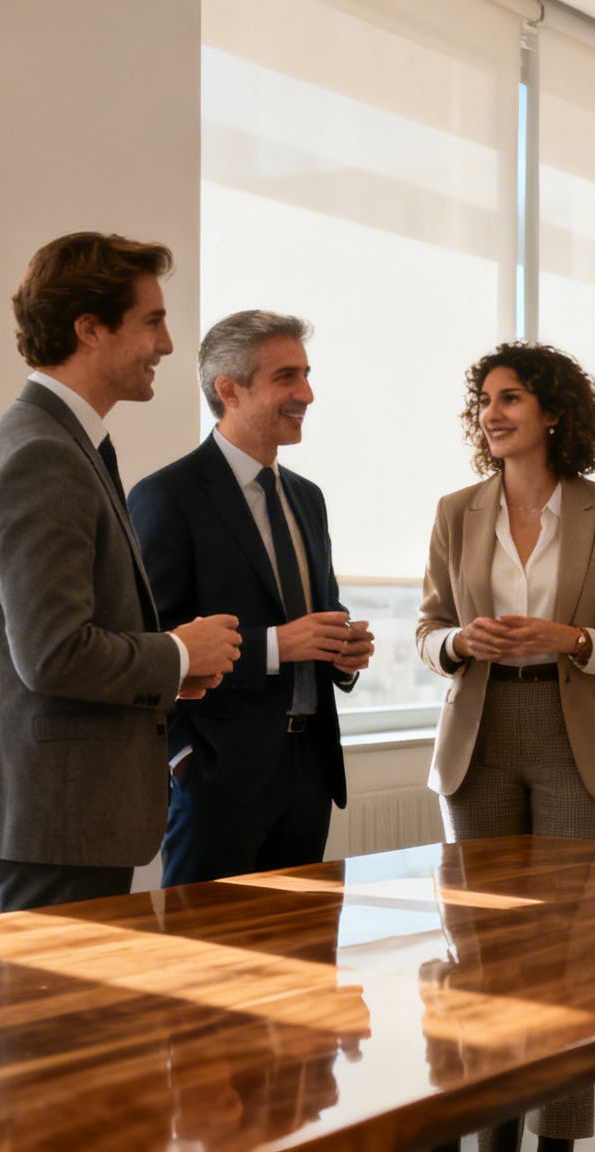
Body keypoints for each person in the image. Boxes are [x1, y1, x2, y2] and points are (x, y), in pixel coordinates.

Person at [0, 231, 242, 914]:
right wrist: (175, 652)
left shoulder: (33, 441)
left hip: (51, 812)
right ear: (90, 329)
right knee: (44, 1021)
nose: (167, 345)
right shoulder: (42, 457)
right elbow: (51, 654)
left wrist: (164, 674)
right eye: (153, 321)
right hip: (59, 816)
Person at [415, 341, 595, 1152]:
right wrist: (457, 642)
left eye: (511, 397)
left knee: (578, 951)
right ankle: (492, 1135)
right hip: (478, 736)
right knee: (482, 952)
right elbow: (425, 629)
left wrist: (572, 638)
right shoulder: (456, 510)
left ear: (553, 412)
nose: (493, 413)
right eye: (484, 400)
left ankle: (558, 1139)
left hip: (574, 733)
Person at [129, 310, 374, 885]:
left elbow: (320, 613)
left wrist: (343, 653)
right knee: (207, 965)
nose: (307, 394)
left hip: (309, 773)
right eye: (287, 377)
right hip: (215, 780)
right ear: (228, 389)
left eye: (307, 375)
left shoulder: (307, 499)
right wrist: (185, 761)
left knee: (307, 961)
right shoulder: (167, 496)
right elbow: (150, 641)